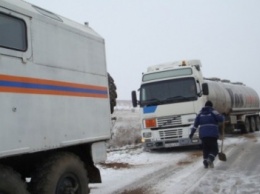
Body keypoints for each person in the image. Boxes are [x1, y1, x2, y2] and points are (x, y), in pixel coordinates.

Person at [189, 100, 224, 168]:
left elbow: (195, 125)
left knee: (206, 149)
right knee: (215, 149)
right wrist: (223, 116)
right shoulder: (213, 111)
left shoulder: (200, 113)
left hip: (203, 136)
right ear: (211, 106)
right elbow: (221, 119)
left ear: (205, 106)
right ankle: (210, 159)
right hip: (212, 135)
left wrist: (192, 133)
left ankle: (205, 162)